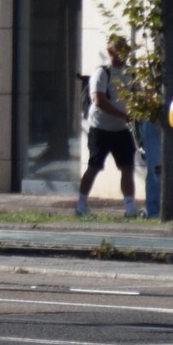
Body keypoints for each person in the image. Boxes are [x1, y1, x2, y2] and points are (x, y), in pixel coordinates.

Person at [75, 35, 138, 219]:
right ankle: (81, 204)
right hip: (100, 128)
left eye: (125, 51)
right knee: (94, 166)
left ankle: (130, 206)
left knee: (127, 166)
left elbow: (138, 95)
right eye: (119, 51)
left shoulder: (130, 73)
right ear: (111, 53)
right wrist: (123, 115)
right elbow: (99, 101)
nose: (123, 55)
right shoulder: (102, 73)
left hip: (121, 129)